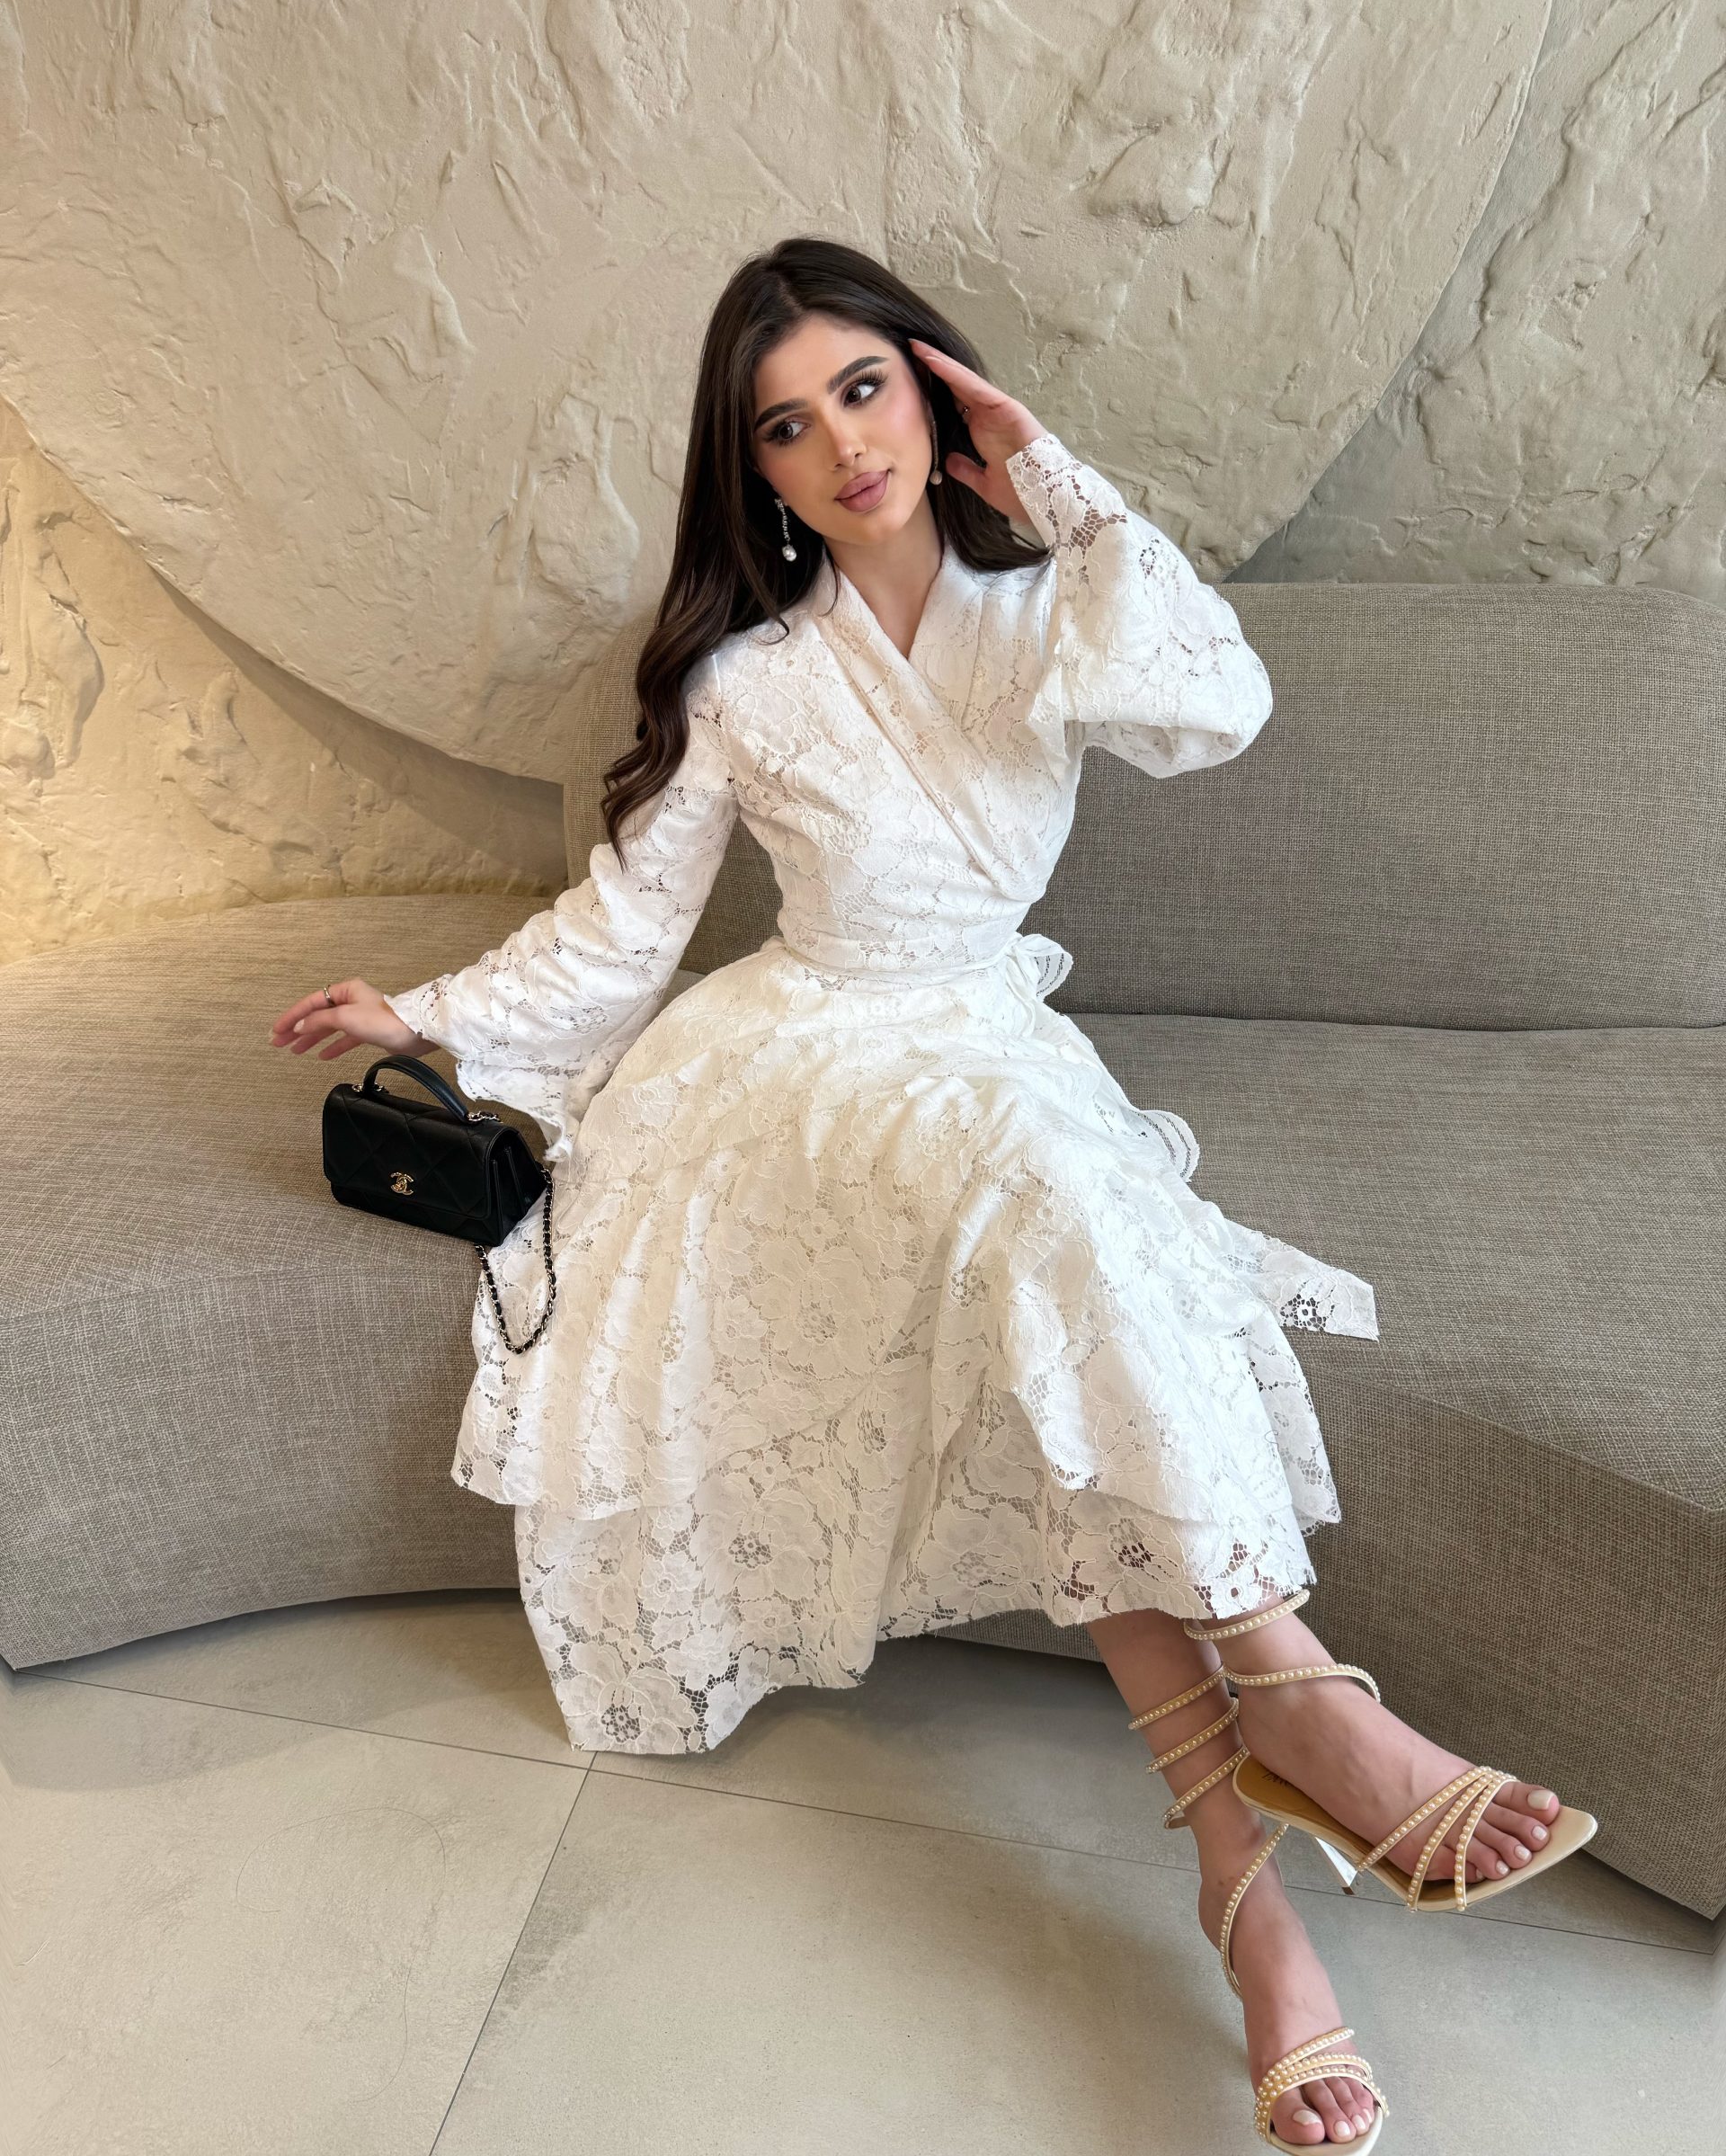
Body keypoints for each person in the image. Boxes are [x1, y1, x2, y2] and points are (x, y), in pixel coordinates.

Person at [269, 236, 1594, 2151]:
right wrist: (436, 1017)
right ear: (756, 474)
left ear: (934, 390)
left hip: (988, 1044)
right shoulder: (744, 676)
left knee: (1052, 1259)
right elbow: (631, 924)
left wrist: (1045, 472)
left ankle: (1251, 1893)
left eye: (865, 389)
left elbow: (1217, 700)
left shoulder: (1051, 609)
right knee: (1045, 1221)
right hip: (799, 1063)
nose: (840, 446)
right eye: (785, 428)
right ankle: (1301, 1701)